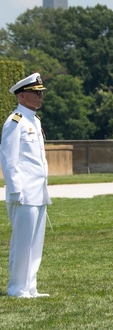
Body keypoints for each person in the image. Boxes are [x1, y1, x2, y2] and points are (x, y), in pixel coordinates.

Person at [2, 73, 52, 299]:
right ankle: (16, 288)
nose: (40, 96)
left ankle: (30, 286)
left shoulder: (34, 120)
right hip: (23, 193)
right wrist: (14, 191)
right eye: (36, 93)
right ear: (22, 96)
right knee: (22, 244)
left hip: (38, 192)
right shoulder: (16, 121)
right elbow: (9, 160)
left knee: (35, 244)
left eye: (41, 92)